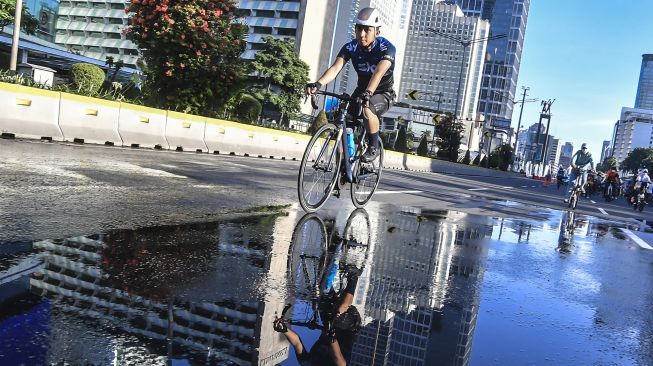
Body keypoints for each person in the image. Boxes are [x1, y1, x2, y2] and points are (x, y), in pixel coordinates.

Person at [306, 7, 396, 163]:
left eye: (367, 30)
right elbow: (335, 68)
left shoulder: (387, 48)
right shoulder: (351, 47)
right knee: (343, 122)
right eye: (358, 28)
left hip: (383, 93)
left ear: (377, 32)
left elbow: (378, 73)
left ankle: (373, 146)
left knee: (367, 109)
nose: (361, 34)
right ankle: (344, 165)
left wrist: (368, 93)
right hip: (360, 92)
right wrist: (318, 84)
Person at [274, 266, 362, 365]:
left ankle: (330, 259)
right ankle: (354, 277)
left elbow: (297, 342)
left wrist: (284, 330)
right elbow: (339, 360)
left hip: (328, 324)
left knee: (321, 292)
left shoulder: (306, 363)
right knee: (338, 313)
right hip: (347, 328)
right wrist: (332, 339)